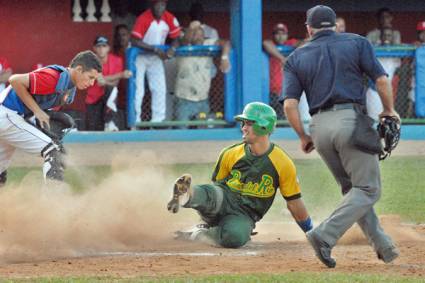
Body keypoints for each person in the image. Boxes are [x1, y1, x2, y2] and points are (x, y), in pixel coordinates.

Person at [282, 5, 400, 268]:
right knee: (368, 189)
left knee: (352, 188)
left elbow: (290, 105)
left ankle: (385, 247)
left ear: (309, 29)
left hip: (319, 128)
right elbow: (381, 80)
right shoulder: (357, 42)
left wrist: (303, 135)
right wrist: (389, 110)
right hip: (351, 121)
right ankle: (324, 235)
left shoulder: (295, 57)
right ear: (335, 25)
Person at [167, 102, 313, 248]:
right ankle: (187, 194)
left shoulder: (282, 163)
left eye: (249, 123)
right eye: (243, 123)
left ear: (264, 126)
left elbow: (294, 203)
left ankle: (198, 233)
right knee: (210, 195)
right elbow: (215, 187)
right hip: (223, 199)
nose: (243, 128)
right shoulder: (230, 153)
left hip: (244, 216)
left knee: (235, 237)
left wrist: (310, 231)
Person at [0, 51, 101, 186]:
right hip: (7, 114)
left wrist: (39, 118)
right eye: (90, 77)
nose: (92, 83)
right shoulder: (54, 77)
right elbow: (14, 80)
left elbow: (35, 110)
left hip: (13, 118)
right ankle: (53, 201)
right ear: (79, 69)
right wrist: (38, 111)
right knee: (53, 151)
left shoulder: (69, 90)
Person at [131, 0, 181, 124]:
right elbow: (134, 40)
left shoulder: (169, 17)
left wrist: (172, 49)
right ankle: (135, 121)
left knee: (159, 89)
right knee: (138, 90)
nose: (160, 7)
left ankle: (157, 121)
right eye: (157, 4)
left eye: (163, 5)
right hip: (140, 56)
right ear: (151, 5)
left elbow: (177, 37)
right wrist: (155, 49)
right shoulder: (144, 18)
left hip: (156, 58)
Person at [174, 21, 230, 123]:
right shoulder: (183, 43)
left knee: (203, 129)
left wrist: (224, 57)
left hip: (203, 99)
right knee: (182, 131)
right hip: (184, 99)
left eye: (201, 35)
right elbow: (185, 38)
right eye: (195, 34)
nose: (199, 37)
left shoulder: (207, 43)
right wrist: (191, 27)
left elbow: (226, 43)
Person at [86, 36, 132, 131]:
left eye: (104, 46)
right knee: (93, 130)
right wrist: (121, 74)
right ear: (94, 48)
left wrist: (105, 80)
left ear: (108, 48)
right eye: (98, 46)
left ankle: (110, 122)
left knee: (112, 89)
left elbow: (114, 83)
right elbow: (99, 81)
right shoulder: (90, 62)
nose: (101, 49)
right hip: (93, 99)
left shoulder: (117, 60)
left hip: (108, 98)